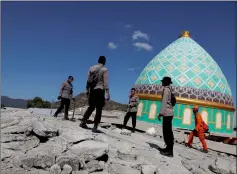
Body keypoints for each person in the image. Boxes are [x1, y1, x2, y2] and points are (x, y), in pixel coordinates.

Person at [80, 56, 110, 132]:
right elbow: (105, 82)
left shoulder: (91, 68)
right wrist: (107, 93)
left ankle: (83, 121)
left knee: (91, 106)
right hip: (100, 90)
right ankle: (95, 125)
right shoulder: (105, 69)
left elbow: (88, 80)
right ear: (104, 62)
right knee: (99, 108)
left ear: (98, 60)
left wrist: (87, 90)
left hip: (92, 90)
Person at [158, 76, 175, 157]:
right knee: (168, 131)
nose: (161, 83)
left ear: (164, 82)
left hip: (167, 113)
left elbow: (164, 102)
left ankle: (169, 151)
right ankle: (168, 148)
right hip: (170, 113)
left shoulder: (166, 90)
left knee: (167, 132)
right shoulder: (170, 90)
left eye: (162, 82)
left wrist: (161, 113)